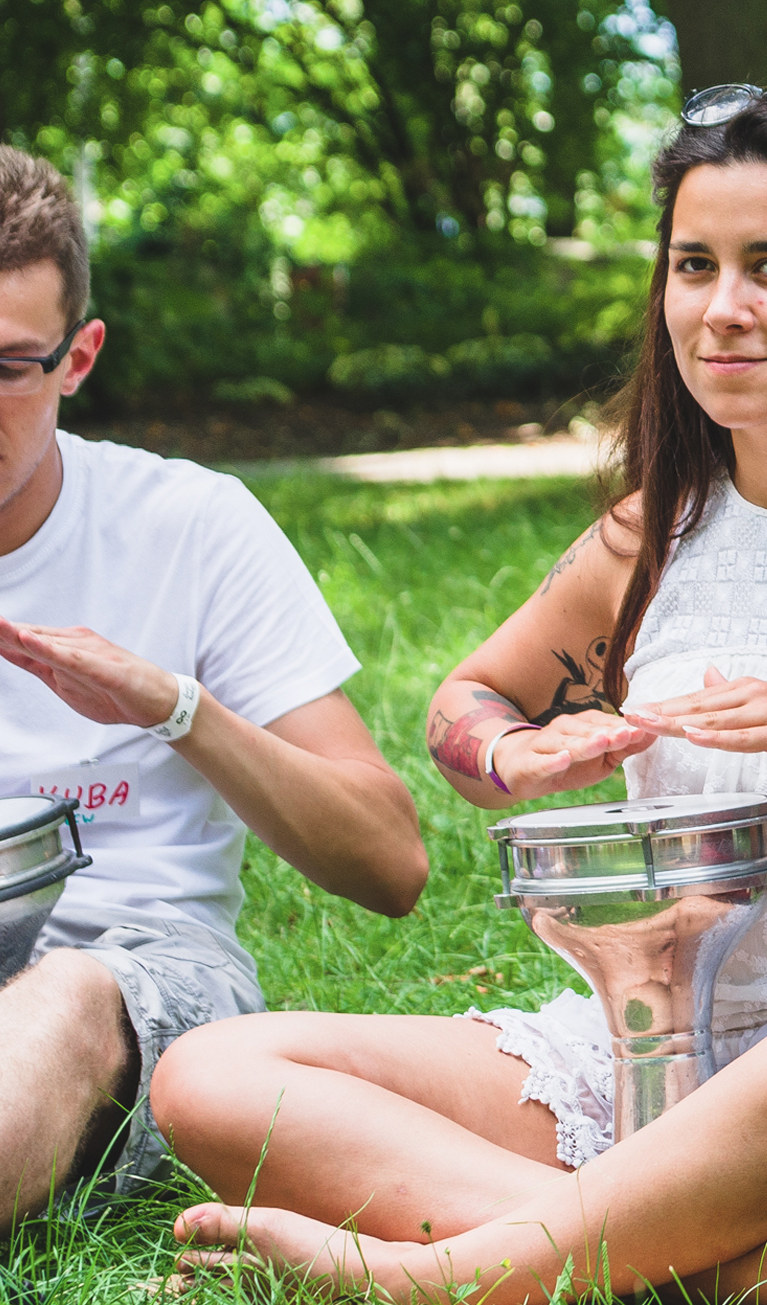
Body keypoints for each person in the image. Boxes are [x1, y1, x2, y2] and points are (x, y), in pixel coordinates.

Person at [147, 86, 767, 1303]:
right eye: (694, 265)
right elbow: (465, 701)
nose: (721, 308)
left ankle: (452, 1271)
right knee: (212, 1072)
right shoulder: (652, 537)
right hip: (654, 1051)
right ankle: (710, 1262)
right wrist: (513, 753)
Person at [0, 145, 425, 1221]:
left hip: (120, 966)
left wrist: (174, 707)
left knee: (64, 1003)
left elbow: (389, 860)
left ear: (78, 357)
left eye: (6, 367)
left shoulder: (188, 525)